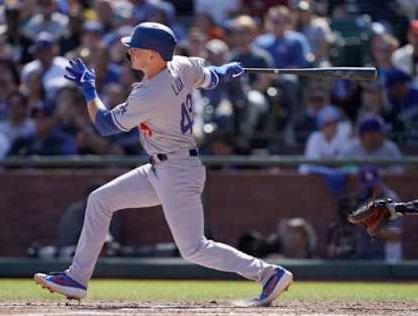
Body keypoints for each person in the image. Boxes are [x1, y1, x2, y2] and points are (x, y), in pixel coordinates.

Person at [34, 22, 293, 306]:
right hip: (162, 167)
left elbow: (106, 125)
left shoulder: (151, 92)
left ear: (154, 55)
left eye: (135, 48)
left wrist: (88, 90)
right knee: (100, 200)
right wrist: (226, 71)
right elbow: (211, 77)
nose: (129, 52)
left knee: (194, 249)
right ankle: (77, 278)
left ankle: (269, 274)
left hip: (177, 171)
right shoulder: (180, 64)